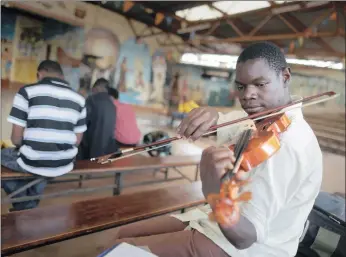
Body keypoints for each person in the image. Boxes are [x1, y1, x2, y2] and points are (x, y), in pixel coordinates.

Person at [97, 42, 323, 257]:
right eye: (241, 86)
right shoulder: (261, 119)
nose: (247, 95)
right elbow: (227, 121)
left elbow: (245, 237)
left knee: (122, 251)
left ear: (285, 77)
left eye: (260, 84)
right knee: (122, 234)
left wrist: (214, 192)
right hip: (208, 221)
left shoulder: (290, 145)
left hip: (240, 249)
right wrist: (212, 115)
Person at [1, 60, 87, 211]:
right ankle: (27, 205)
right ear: (62, 75)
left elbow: (15, 139)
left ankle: (24, 204)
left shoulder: (27, 91)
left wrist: (30, 145)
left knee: (21, 157)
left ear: (39, 74)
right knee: (42, 159)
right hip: (64, 162)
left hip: (34, 160)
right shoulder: (80, 99)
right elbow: (77, 141)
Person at [77, 78, 118, 159]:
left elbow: (82, 122)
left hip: (92, 149)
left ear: (98, 88)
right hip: (109, 148)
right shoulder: (112, 104)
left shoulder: (91, 100)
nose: (92, 92)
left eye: (93, 90)